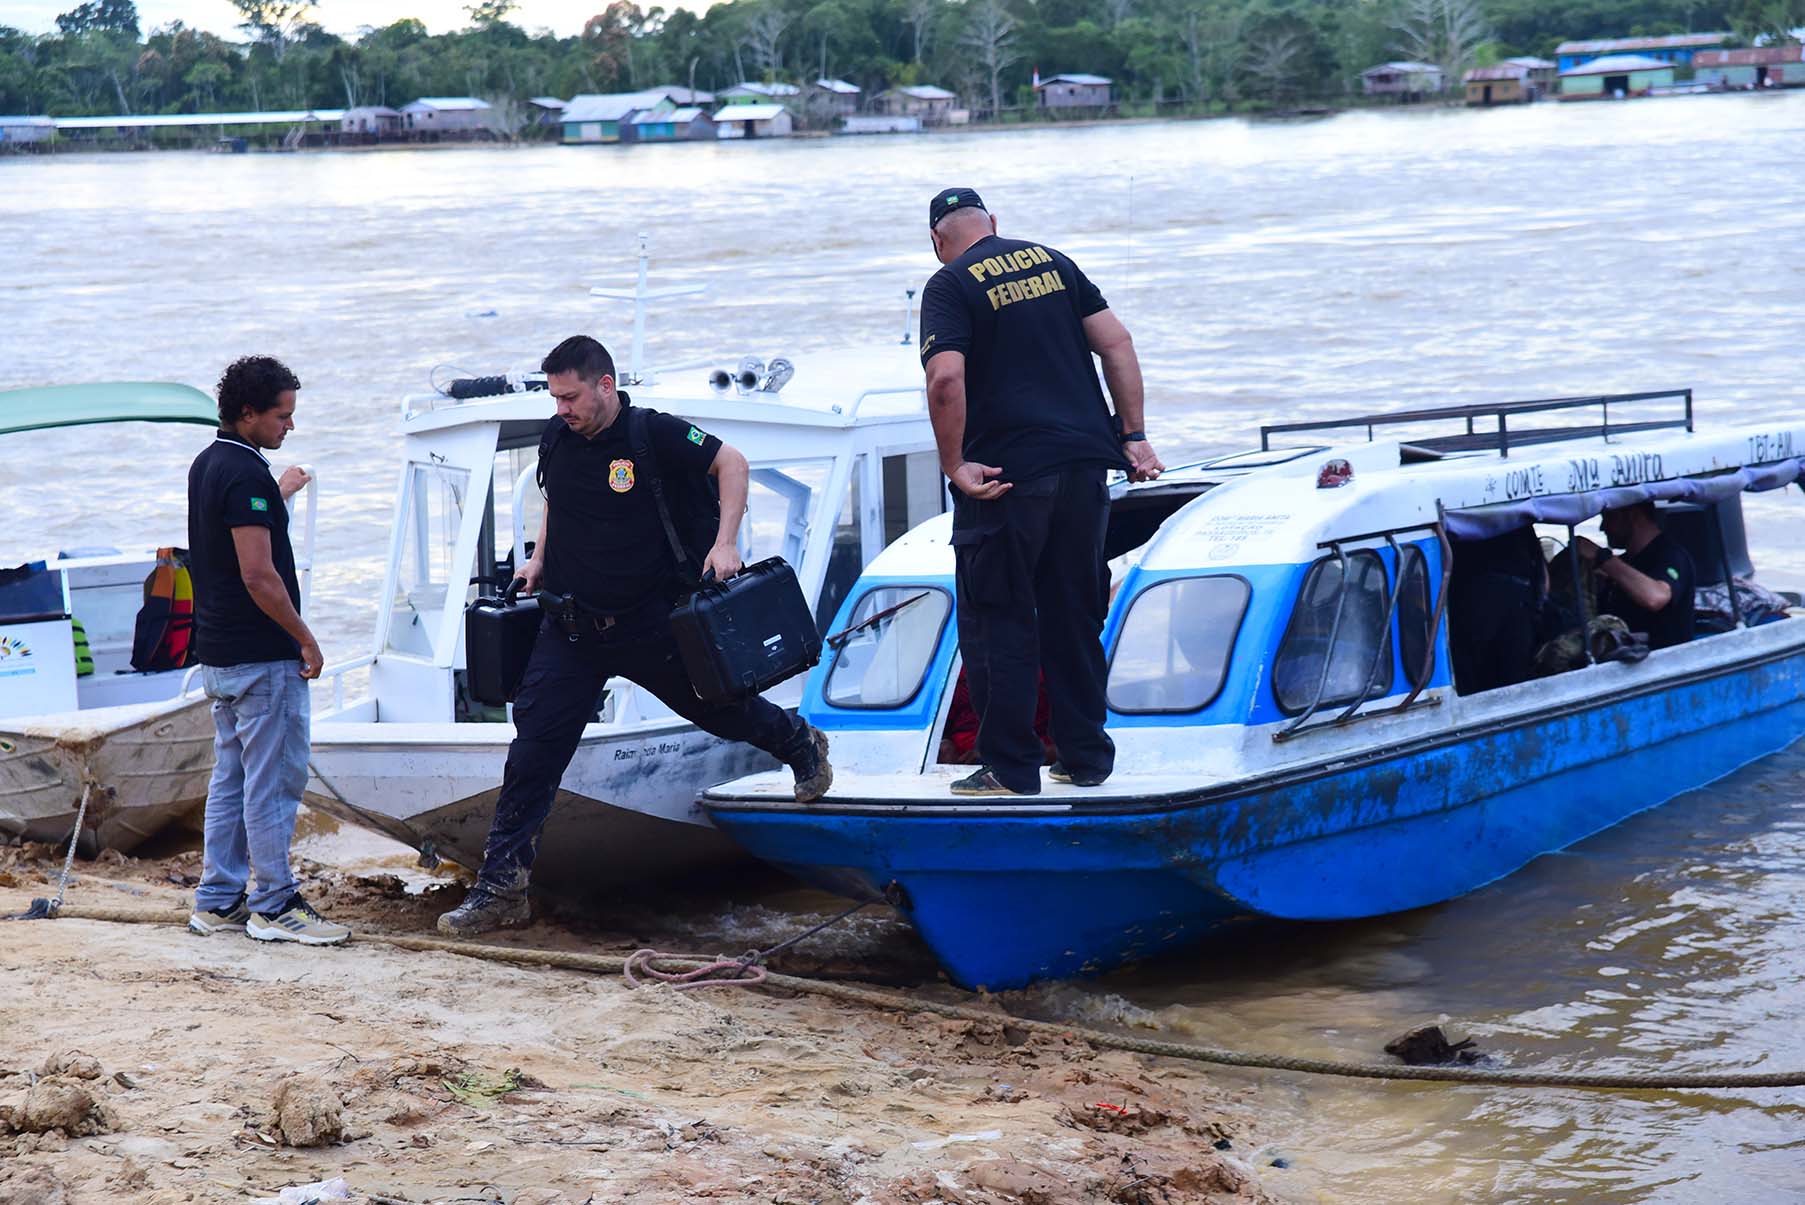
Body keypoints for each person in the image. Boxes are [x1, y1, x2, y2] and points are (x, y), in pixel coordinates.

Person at [438, 335, 833, 937]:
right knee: (533, 753)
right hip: (571, 625)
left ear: (603, 385)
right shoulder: (557, 435)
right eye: (554, 396)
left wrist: (725, 542)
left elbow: (733, 464)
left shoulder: (655, 433)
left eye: (570, 396)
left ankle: (800, 744)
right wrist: (539, 559)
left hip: (652, 621)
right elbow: (556, 501)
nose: (561, 407)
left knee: (723, 712)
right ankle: (502, 888)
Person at [918, 187, 1164, 797]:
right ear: (993, 223)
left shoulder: (950, 284)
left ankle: (1009, 767)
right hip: (1085, 470)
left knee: (997, 616)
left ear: (935, 241)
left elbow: (945, 377)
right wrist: (1133, 436)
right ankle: (1085, 758)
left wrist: (955, 465)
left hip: (1007, 477)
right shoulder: (1053, 261)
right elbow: (1118, 344)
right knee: (1074, 615)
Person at [186, 356, 346, 945]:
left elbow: (233, 537)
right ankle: (275, 903)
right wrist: (305, 636)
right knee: (273, 780)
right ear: (248, 413)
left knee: (231, 778)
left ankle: (218, 899)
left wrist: (277, 494)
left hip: (220, 653)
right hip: (261, 655)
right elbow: (258, 575)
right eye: (282, 416)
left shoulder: (211, 463)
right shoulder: (247, 476)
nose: (290, 427)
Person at [1578, 501, 1696, 650]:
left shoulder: (1672, 555)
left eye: (1608, 517)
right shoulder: (1623, 564)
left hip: (1667, 662)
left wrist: (1601, 557)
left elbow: (1656, 597)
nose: (1602, 527)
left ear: (1633, 515)